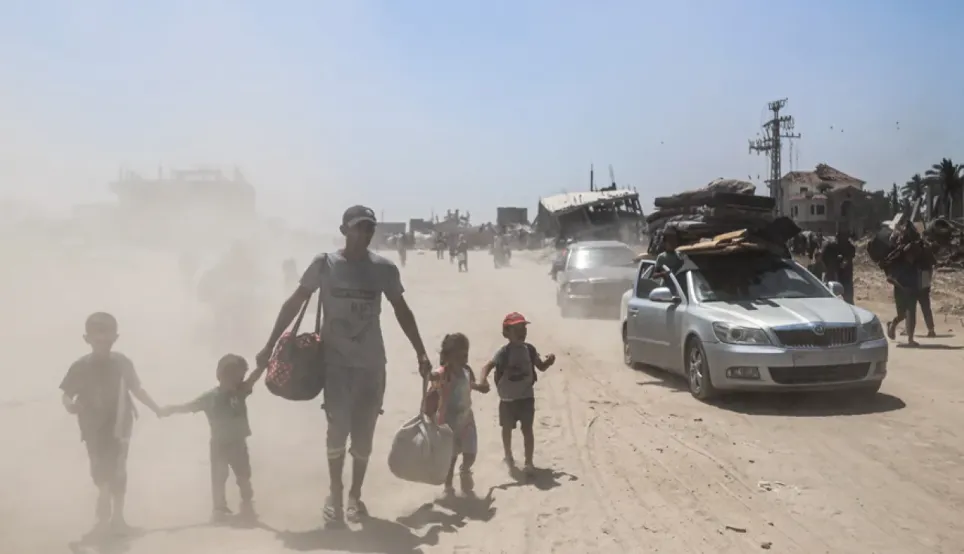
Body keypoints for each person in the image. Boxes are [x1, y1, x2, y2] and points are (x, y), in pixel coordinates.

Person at [256, 205, 432, 527]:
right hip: (335, 365)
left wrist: (420, 351)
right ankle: (334, 495)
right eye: (358, 227)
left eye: (368, 228)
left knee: (364, 434)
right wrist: (269, 344)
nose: (364, 234)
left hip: (372, 366)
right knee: (337, 430)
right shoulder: (324, 264)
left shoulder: (384, 269)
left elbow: (402, 310)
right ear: (343, 230)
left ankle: (354, 496)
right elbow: (294, 303)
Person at [60, 312, 163, 535]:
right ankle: (104, 496)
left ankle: (118, 518)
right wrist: (70, 406)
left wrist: (156, 408)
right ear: (87, 339)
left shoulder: (122, 362)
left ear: (115, 338)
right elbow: (67, 394)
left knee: (119, 466)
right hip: (92, 426)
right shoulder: (80, 367)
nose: (103, 345)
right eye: (98, 341)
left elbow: (137, 389)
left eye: (107, 340)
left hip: (120, 423)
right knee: (98, 466)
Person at [159, 354, 266, 521]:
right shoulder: (210, 397)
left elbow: (253, 379)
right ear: (221, 376)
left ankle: (247, 504)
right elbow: (189, 406)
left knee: (244, 476)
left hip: (238, 443)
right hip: (219, 445)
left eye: (240, 377)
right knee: (219, 477)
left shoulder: (240, 392)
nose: (236, 381)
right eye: (233, 377)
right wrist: (171, 409)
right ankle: (219, 509)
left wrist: (262, 366)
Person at [478, 312, 556, 475]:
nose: (522, 332)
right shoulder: (503, 353)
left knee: (527, 429)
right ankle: (508, 456)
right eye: (517, 329)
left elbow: (540, 366)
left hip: (526, 397)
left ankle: (528, 462)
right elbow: (488, 366)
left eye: (523, 328)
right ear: (506, 333)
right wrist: (482, 380)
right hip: (507, 399)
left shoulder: (529, 349)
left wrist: (548, 362)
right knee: (507, 428)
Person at [424, 333, 489, 496]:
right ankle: (448, 486)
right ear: (447, 356)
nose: (463, 358)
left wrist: (480, 387)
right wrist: (429, 374)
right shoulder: (444, 373)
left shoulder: (467, 370)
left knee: (471, 452)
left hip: (467, 419)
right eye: (458, 355)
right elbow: (434, 377)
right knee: (451, 457)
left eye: (465, 354)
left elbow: (469, 383)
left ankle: (465, 470)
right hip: (448, 422)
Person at [885, 244, 921, 347]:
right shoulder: (900, 265)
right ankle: (892, 324)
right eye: (912, 254)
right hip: (901, 293)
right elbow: (890, 278)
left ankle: (910, 339)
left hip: (912, 293)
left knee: (911, 316)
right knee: (902, 315)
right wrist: (902, 288)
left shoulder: (915, 265)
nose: (913, 256)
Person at [821, 230, 856, 304]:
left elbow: (823, 259)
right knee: (835, 298)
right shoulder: (831, 247)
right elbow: (824, 259)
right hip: (836, 275)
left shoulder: (849, 247)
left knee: (846, 299)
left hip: (843, 276)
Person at [917, 240, 938, 337]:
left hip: (913, 277)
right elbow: (934, 262)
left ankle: (908, 330)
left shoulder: (907, 246)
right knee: (925, 305)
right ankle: (931, 329)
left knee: (909, 305)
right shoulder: (926, 247)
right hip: (925, 275)